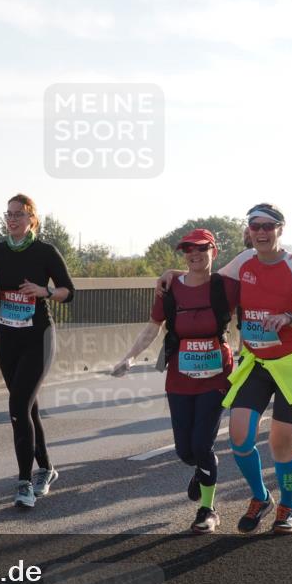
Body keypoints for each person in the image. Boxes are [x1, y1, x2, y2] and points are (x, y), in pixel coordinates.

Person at [113, 229, 239, 534]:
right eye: (187, 250)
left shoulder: (227, 286)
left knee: (202, 443)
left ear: (214, 250)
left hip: (216, 376)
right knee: (185, 451)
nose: (194, 254)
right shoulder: (170, 288)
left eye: (201, 248)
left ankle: (207, 509)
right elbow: (153, 327)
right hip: (180, 378)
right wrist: (130, 357)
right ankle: (201, 470)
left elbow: (257, 277)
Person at [220, 204, 292, 535]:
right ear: (249, 230)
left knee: (280, 443)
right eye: (255, 226)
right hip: (258, 362)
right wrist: (170, 276)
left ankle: (288, 506)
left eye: (268, 226)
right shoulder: (243, 261)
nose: (261, 232)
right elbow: (206, 279)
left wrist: (289, 319)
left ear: (280, 229)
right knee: (239, 436)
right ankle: (260, 497)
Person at [0, 195, 75, 508]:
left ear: (32, 218)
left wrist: (44, 290)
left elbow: (68, 292)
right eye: (9, 214)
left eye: (19, 214)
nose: (13, 219)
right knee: (26, 407)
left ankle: (24, 483)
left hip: (38, 338)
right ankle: (46, 468)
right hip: (7, 338)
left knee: (18, 405)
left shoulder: (45, 251)